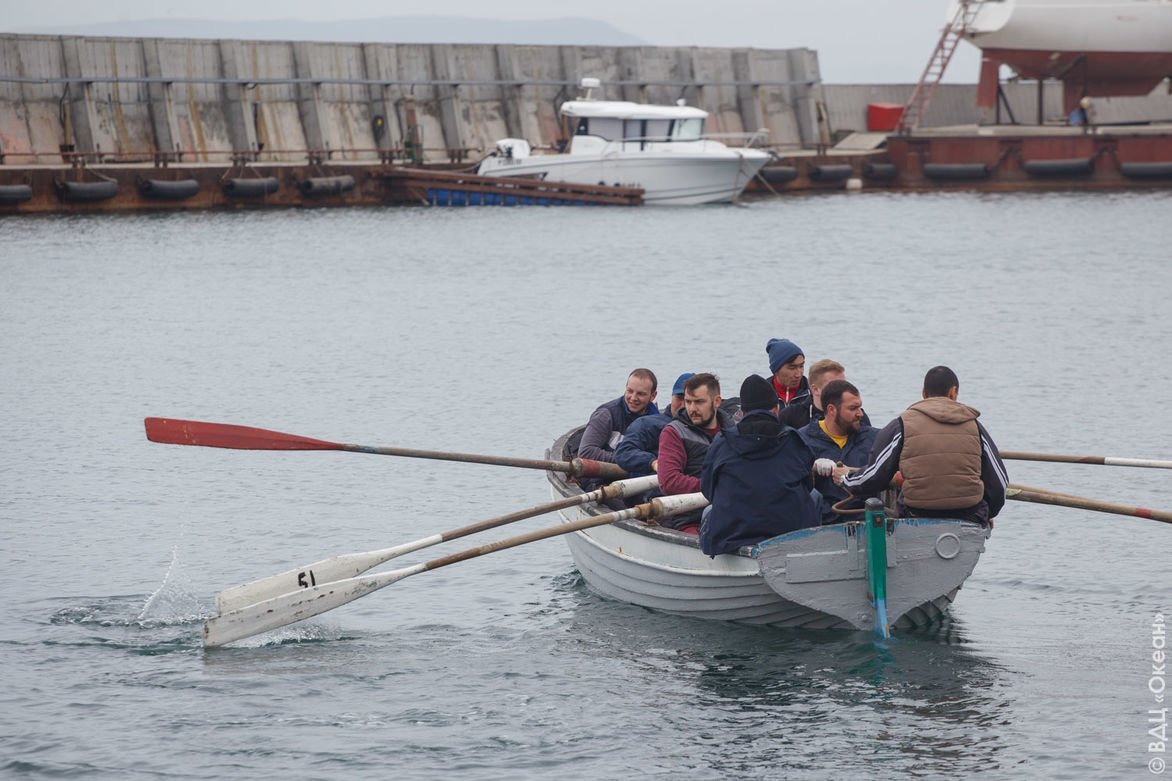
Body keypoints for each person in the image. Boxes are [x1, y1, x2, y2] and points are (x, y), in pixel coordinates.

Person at [842, 366, 1008, 524]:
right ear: (953, 392)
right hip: (969, 515)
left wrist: (846, 479)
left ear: (923, 393)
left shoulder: (902, 425)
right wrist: (988, 513)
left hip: (916, 514)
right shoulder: (975, 427)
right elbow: (1000, 484)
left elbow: (875, 476)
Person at [699, 374, 820, 556]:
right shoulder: (794, 440)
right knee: (816, 497)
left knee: (708, 511)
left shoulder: (722, 442)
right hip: (790, 533)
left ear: (742, 412)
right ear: (777, 409)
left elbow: (707, 488)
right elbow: (808, 484)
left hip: (732, 535)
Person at [657, 373, 735, 531]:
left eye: (699, 402)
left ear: (717, 402)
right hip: (689, 520)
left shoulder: (733, 431)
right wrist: (717, 487)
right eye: (688, 402)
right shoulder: (674, 432)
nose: (692, 409)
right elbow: (668, 481)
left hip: (731, 513)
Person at [799, 379, 878, 524]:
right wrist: (811, 467)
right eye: (853, 408)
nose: (860, 414)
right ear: (831, 410)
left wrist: (853, 473)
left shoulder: (875, 438)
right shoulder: (801, 440)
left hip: (866, 521)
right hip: (821, 525)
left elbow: (893, 474)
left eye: (860, 407)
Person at [614, 372, 694, 477]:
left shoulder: (706, 430)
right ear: (672, 397)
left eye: (691, 401)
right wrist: (653, 463)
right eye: (679, 398)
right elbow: (624, 452)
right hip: (651, 483)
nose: (684, 405)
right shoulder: (646, 424)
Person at [577, 368, 659, 464]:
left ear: (653, 396)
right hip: (607, 471)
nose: (633, 398)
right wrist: (629, 460)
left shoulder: (657, 421)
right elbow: (585, 452)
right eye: (630, 391)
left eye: (641, 394)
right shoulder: (605, 415)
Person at [766, 338, 810, 411]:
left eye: (801, 366)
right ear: (776, 370)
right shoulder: (760, 395)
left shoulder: (814, 394)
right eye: (792, 368)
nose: (798, 375)